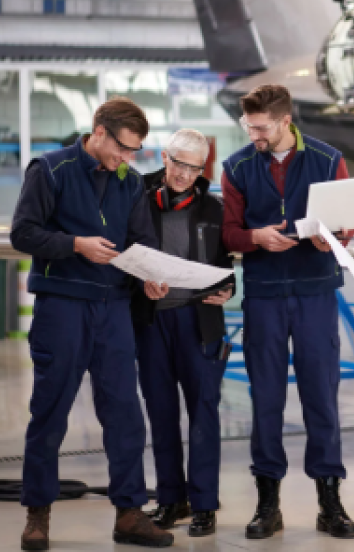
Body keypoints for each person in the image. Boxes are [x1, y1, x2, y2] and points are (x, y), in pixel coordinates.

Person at [9, 97, 173, 550]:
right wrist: (75, 244)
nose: (128, 158)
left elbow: (142, 244)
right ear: (98, 131)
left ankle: (129, 513)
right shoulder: (50, 170)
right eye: (123, 148)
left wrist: (150, 281)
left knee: (124, 413)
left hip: (113, 309)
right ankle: (37, 516)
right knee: (50, 412)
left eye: (135, 151)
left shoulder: (130, 182)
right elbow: (22, 232)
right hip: (63, 306)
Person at [221, 84, 354, 540]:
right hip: (263, 294)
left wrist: (334, 236)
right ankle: (268, 503)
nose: (253, 134)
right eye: (249, 126)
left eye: (260, 127)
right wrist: (256, 238)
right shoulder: (237, 167)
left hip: (315, 290)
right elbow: (229, 233)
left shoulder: (327, 159)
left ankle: (329, 500)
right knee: (266, 398)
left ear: (285, 122)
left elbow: (347, 221)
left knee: (321, 394)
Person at [131, 129, 235, 538]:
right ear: (163, 157)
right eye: (178, 163)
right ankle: (172, 499)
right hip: (153, 323)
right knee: (161, 413)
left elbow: (226, 263)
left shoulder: (214, 209)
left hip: (199, 322)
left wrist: (229, 288)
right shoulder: (137, 203)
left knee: (204, 416)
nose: (183, 174)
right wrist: (141, 284)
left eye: (194, 167)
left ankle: (205, 504)